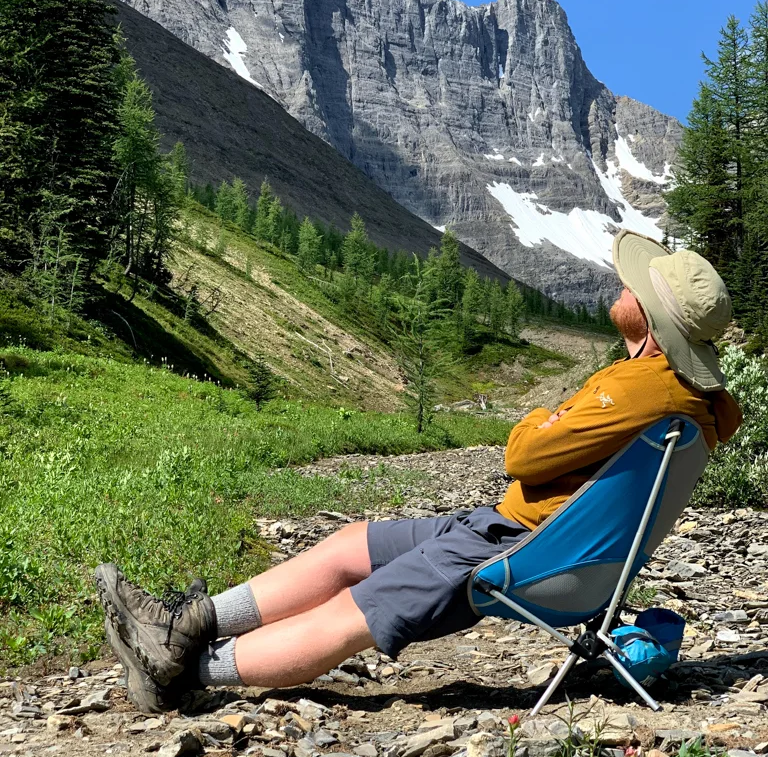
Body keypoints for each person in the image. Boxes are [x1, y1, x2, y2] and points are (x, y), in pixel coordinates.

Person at [95, 229, 743, 713]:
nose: (624, 287)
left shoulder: (643, 386)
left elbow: (524, 453)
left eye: (638, 286)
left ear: (653, 323)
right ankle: (191, 623)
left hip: (519, 550)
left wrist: (541, 416)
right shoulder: (695, 401)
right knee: (351, 546)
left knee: (354, 614)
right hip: (527, 535)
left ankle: (183, 670)